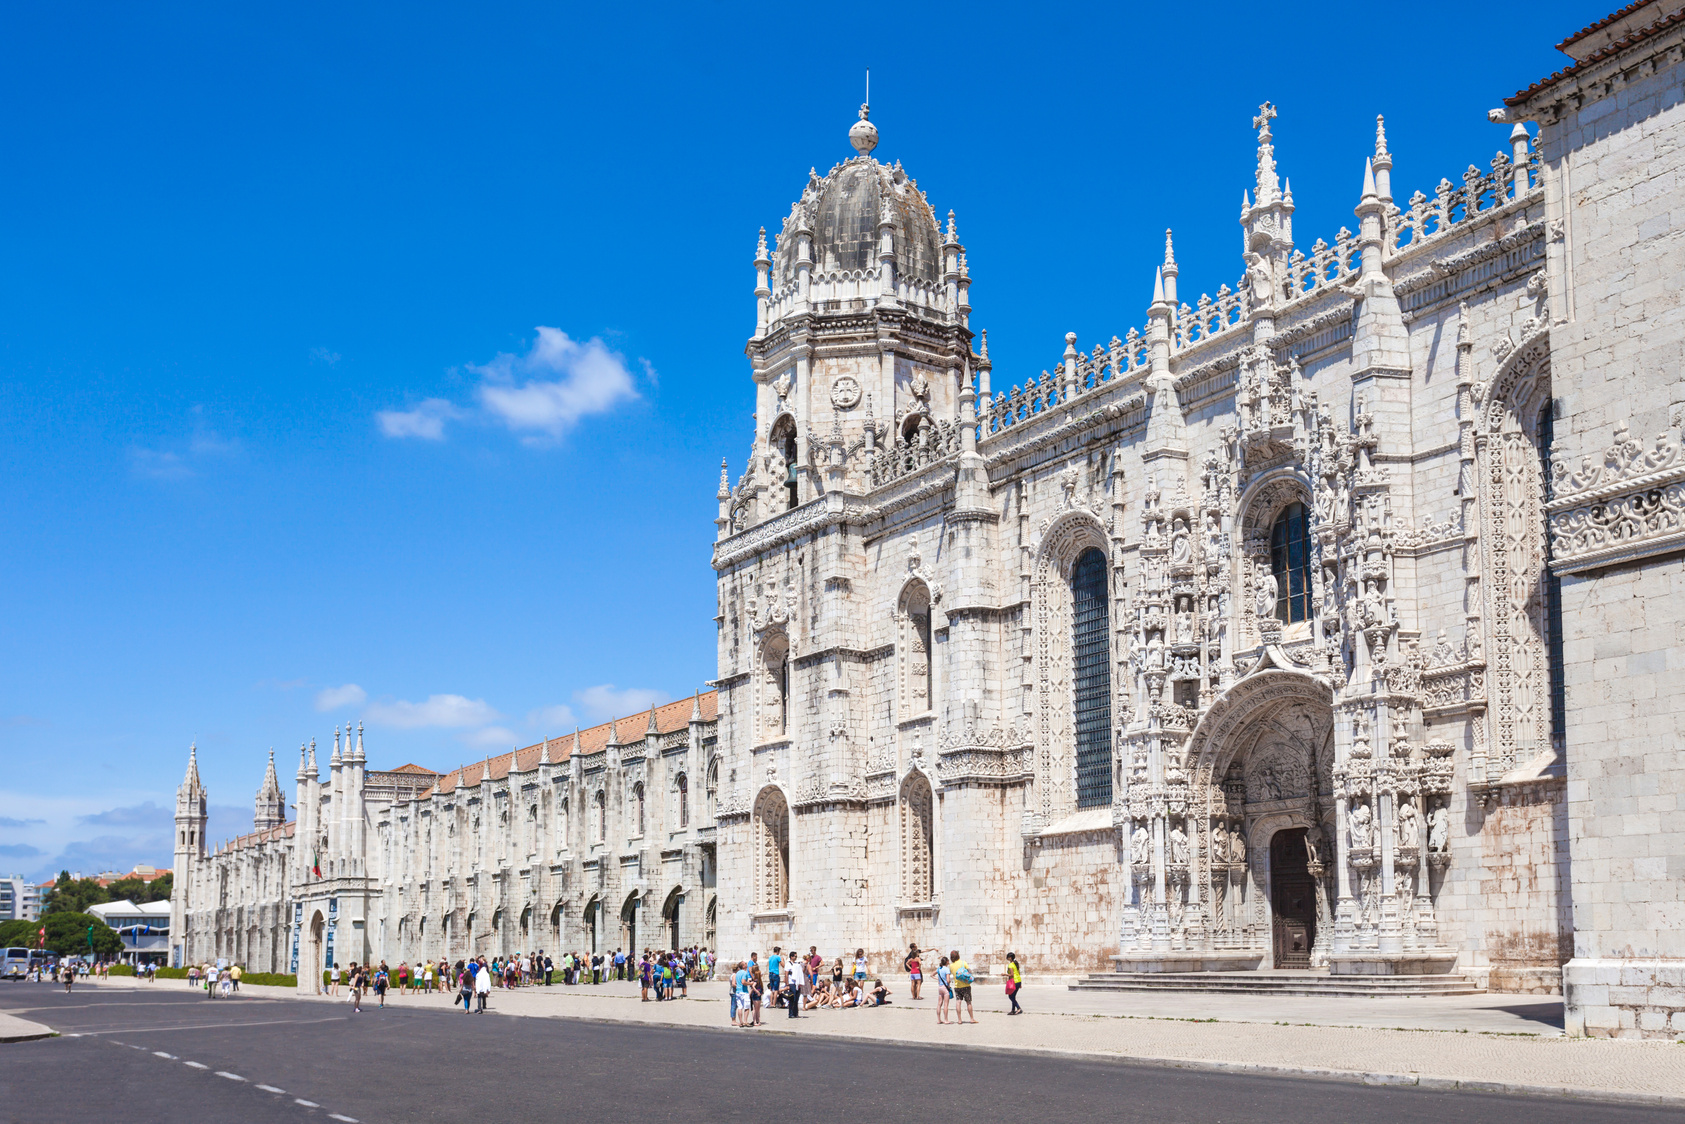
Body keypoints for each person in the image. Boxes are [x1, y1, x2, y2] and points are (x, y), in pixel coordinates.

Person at [949, 949, 978, 1024]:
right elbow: (970, 971)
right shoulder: (963, 963)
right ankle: (971, 1018)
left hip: (957, 986)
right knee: (968, 1002)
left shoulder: (951, 966)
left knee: (958, 1002)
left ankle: (959, 1020)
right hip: (966, 986)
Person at [935, 956, 953, 1024]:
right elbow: (948, 980)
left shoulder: (939, 969)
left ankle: (939, 1020)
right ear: (947, 962)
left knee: (939, 1004)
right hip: (945, 988)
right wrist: (949, 981)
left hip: (940, 987)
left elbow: (932, 975)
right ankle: (946, 1020)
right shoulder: (947, 969)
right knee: (945, 1004)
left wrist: (938, 979)